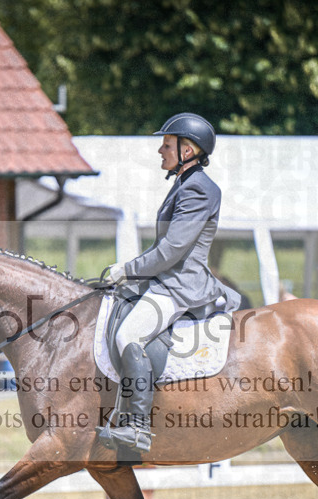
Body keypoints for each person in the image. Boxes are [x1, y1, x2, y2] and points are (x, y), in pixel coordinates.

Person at [99, 112, 242, 454]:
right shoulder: (183, 185)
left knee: (127, 335)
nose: (160, 151)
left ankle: (137, 427)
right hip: (165, 280)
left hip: (180, 286)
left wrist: (128, 270)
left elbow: (173, 249)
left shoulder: (199, 190)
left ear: (188, 150)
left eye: (166, 145)